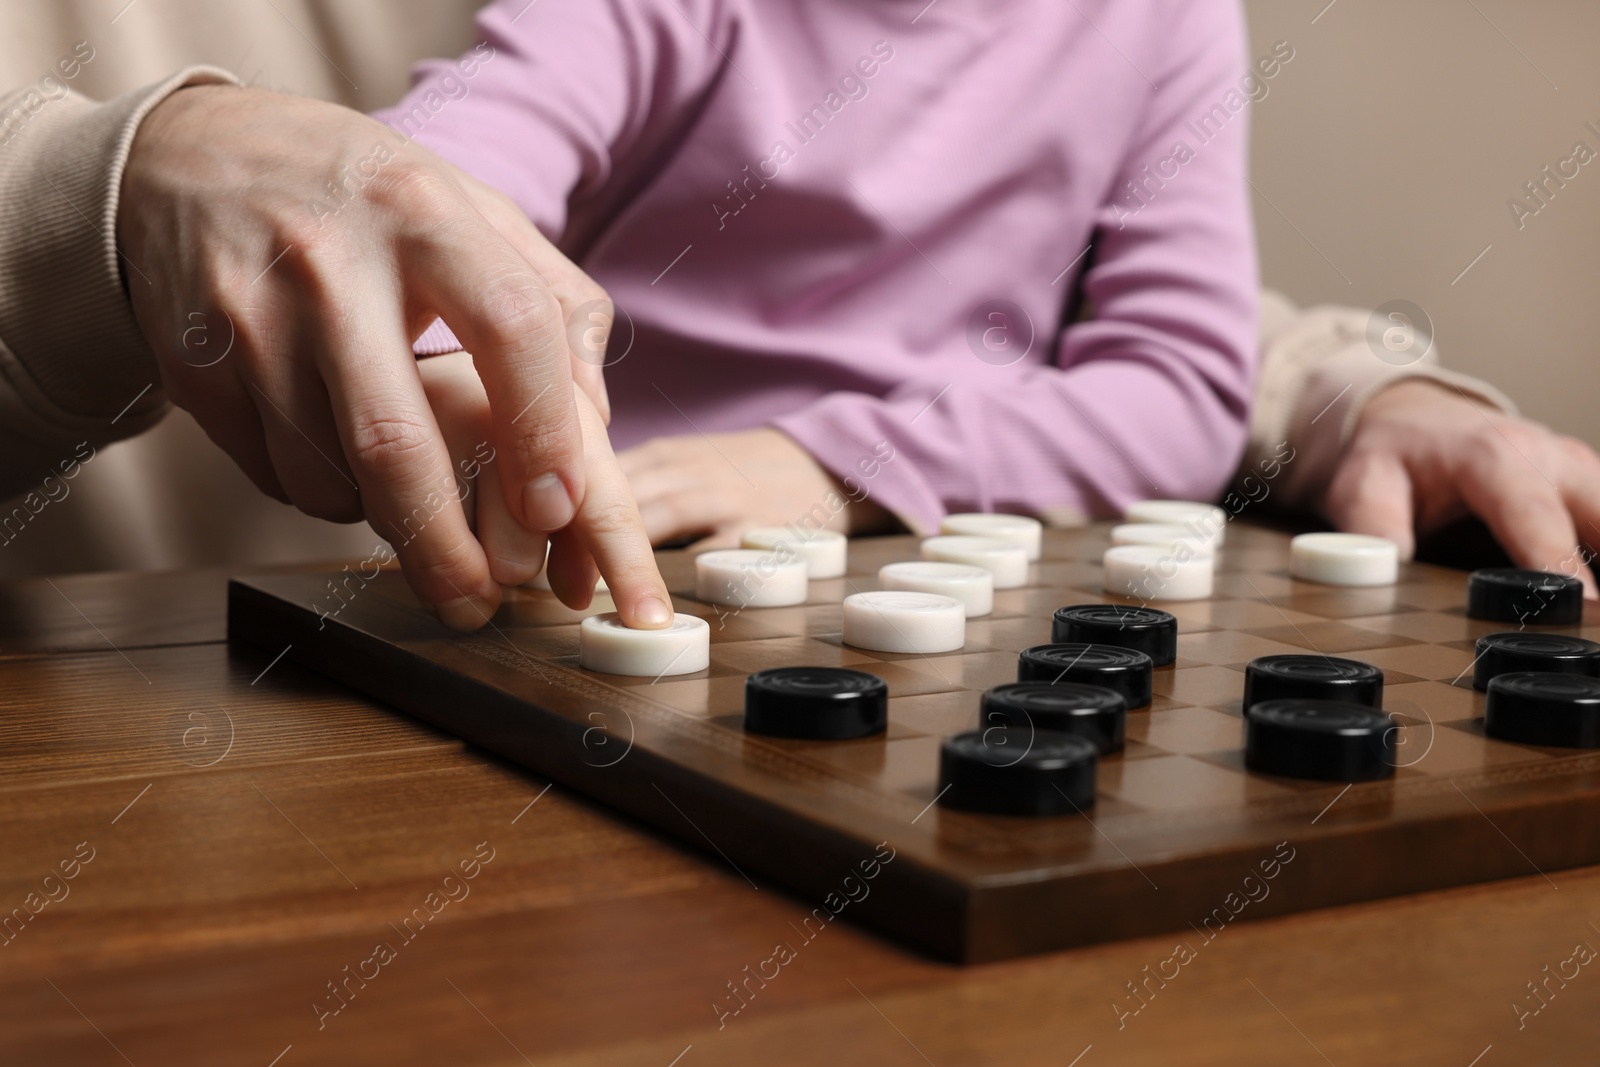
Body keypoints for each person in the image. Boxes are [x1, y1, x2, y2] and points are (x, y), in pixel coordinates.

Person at [0, 1, 1593, 631]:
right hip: (626, 594)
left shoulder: (1159, 19)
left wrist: (820, 463)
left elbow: (1176, 387)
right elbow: (431, 184)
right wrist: (430, 351)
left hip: (972, 588)